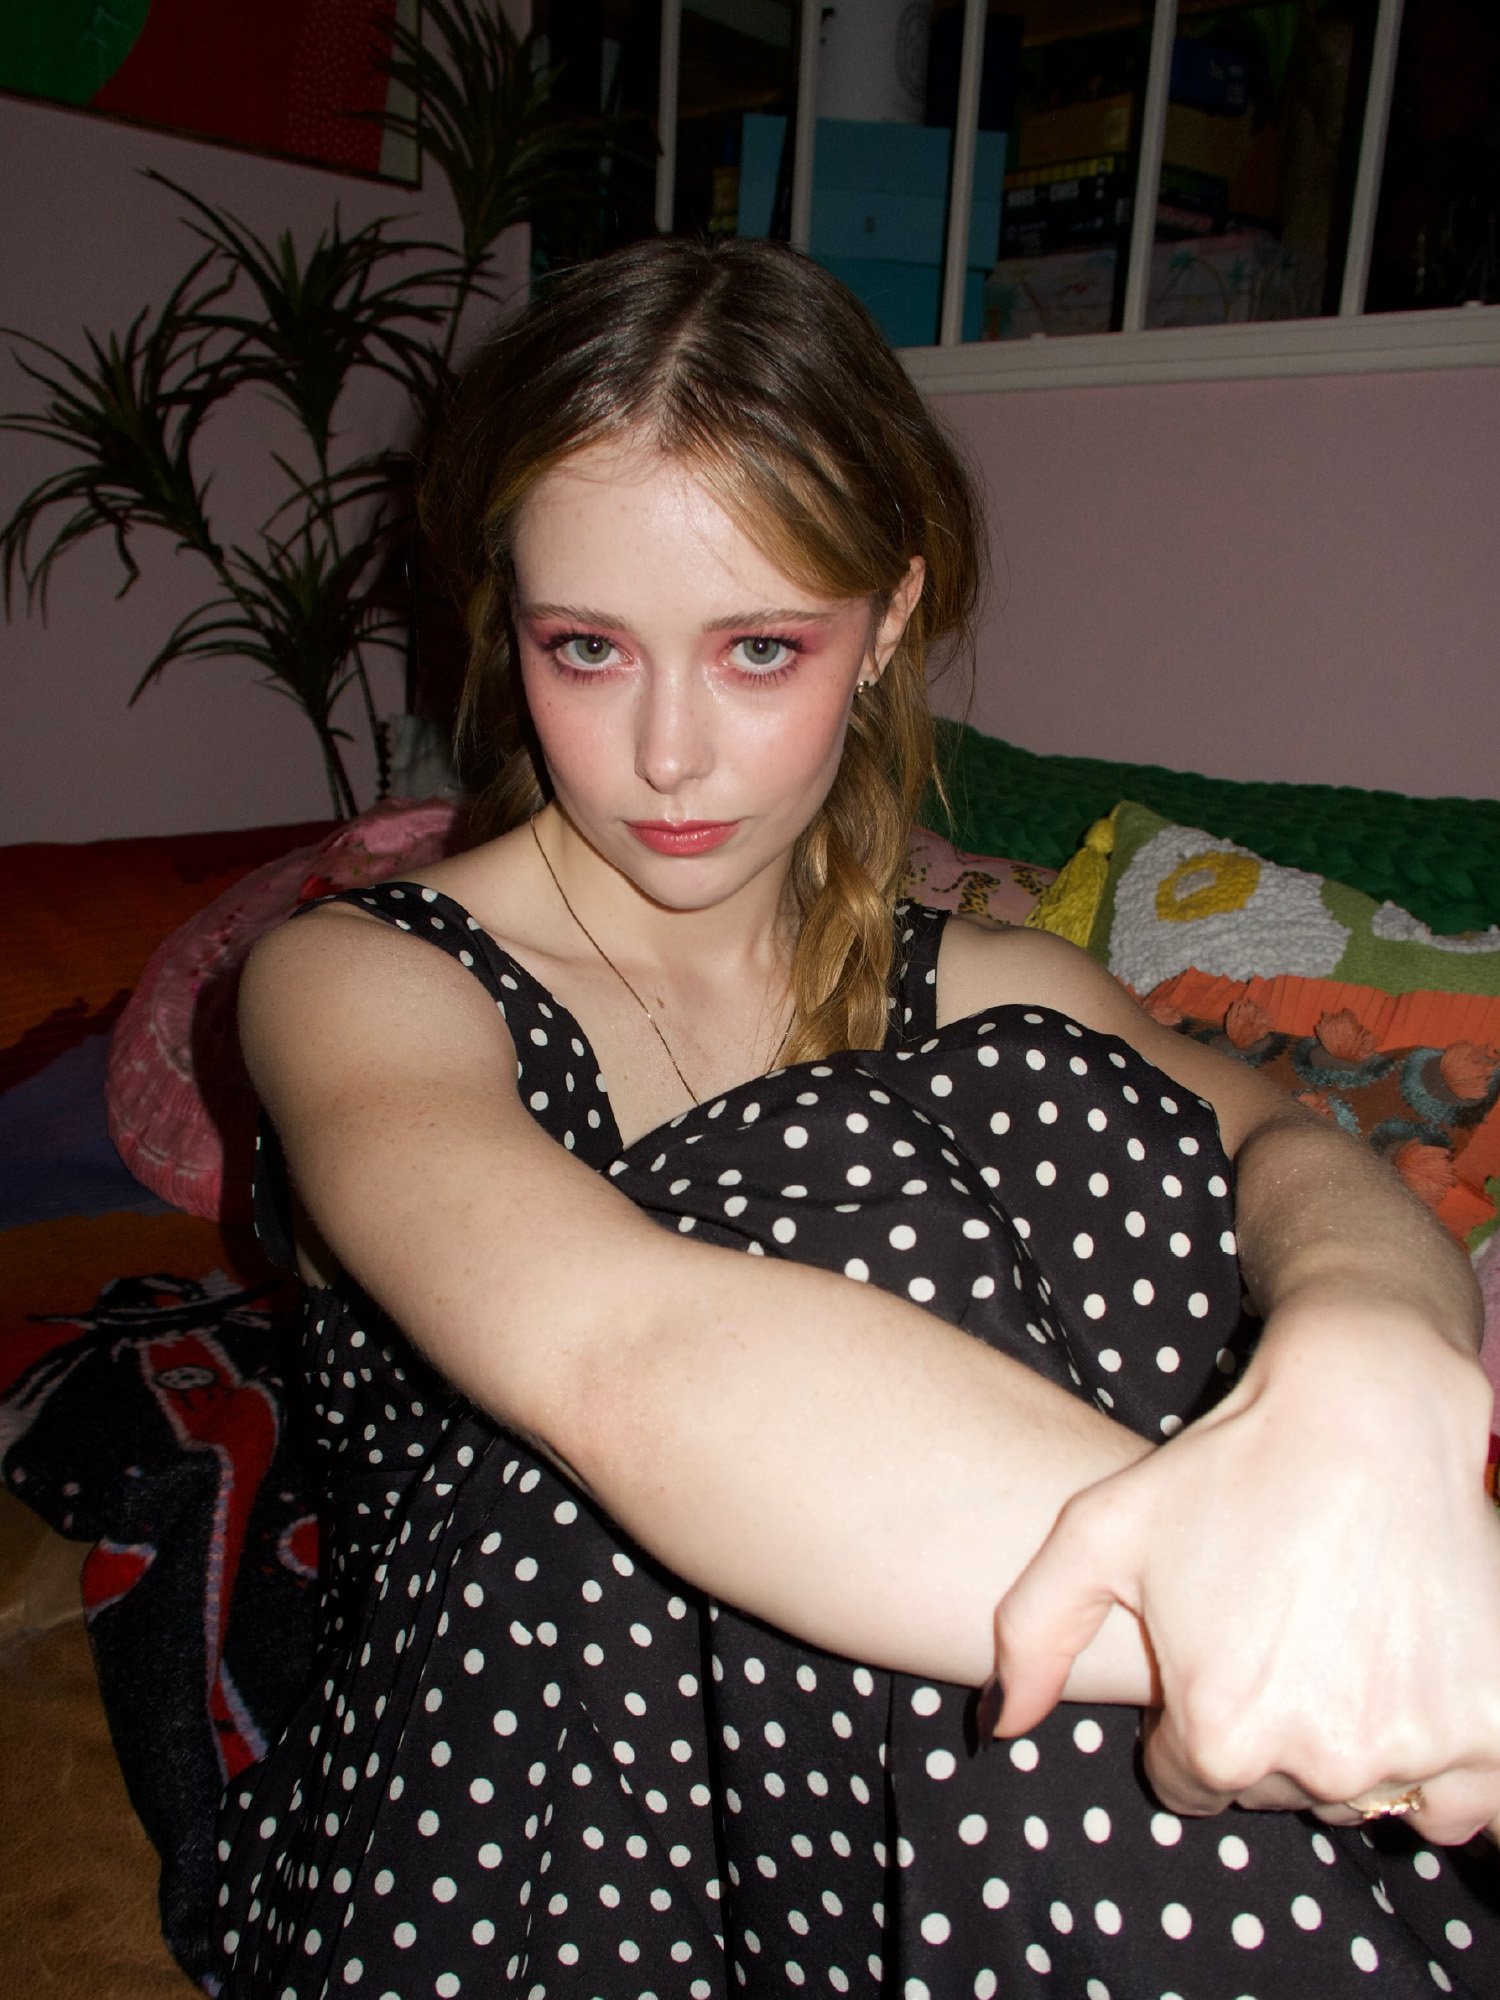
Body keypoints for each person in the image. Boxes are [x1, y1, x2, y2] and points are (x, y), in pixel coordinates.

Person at [223, 237, 1500, 1999]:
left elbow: (1301, 1154)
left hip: (954, 1717)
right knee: (816, 1178)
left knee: (1061, 1104)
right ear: (502, 619)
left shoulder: (986, 989)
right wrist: (1323, 1609)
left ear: (889, 617)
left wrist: (1369, 1354)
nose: (669, 754)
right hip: (527, 1786)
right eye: (584, 647)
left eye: (760, 649)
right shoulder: (355, 982)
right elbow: (629, 1351)